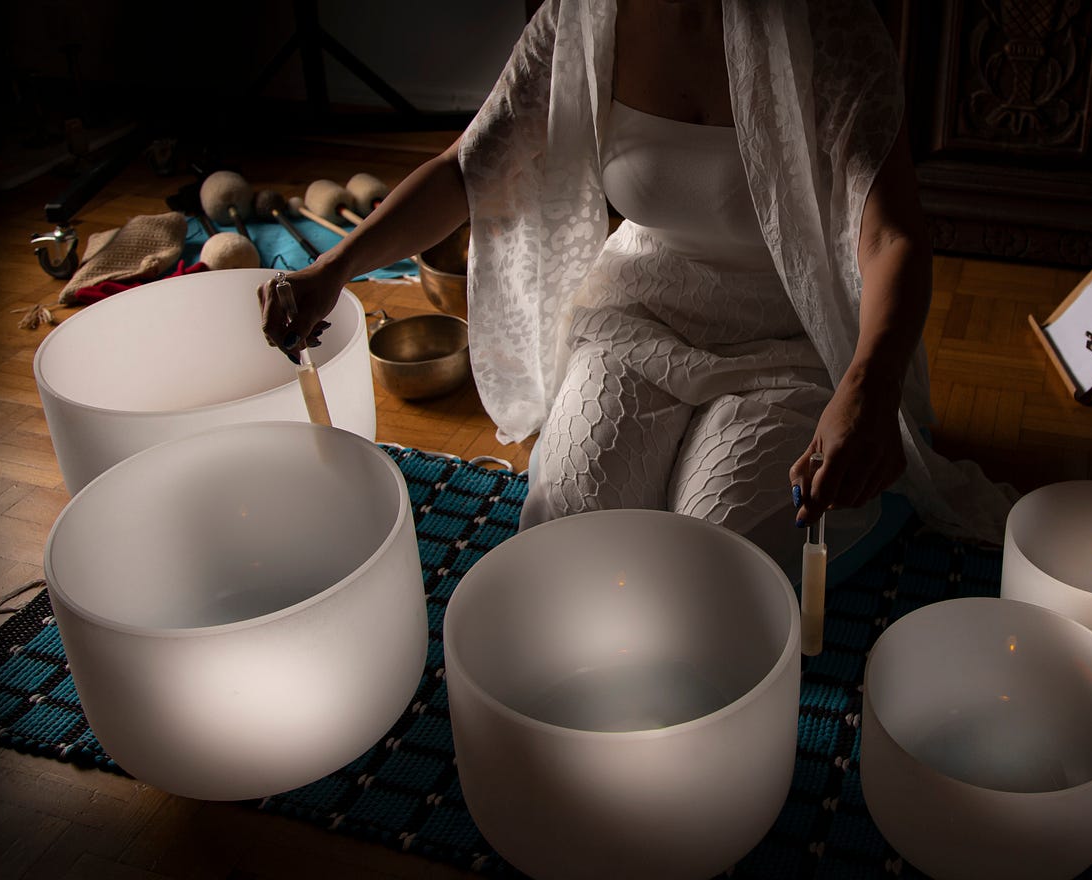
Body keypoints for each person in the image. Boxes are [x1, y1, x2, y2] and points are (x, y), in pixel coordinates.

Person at [259, 0, 1014, 574]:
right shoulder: (581, 19)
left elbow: (889, 236)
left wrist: (868, 388)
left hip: (791, 332)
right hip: (641, 310)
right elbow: (468, 169)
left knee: (709, 555)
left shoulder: (827, 24)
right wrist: (333, 269)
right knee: (573, 529)